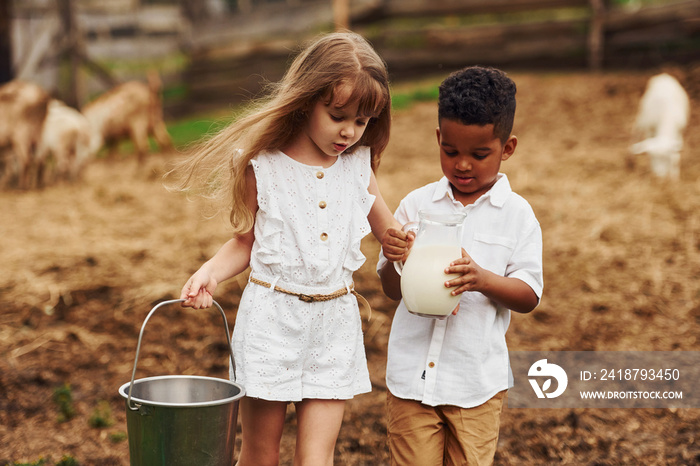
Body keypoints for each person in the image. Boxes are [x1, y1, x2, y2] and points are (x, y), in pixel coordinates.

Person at [166, 32, 403, 466]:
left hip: (333, 325)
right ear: (306, 100)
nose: (349, 131)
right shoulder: (266, 164)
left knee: (317, 459)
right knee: (260, 456)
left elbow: (391, 233)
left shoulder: (358, 166)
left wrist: (406, 244)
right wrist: (211, 273)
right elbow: (247, 242)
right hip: (271, 325)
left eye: (362, 121)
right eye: (337, 116)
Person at [377, 65, 544, 465]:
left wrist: (483, 279)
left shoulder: (517, 215)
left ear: (508, 148)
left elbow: (528, 295)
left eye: (479, 154)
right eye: (450, 152)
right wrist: (396, 258)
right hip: (411, 380)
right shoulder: (417, 205)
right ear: (438, 138)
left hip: (475, 387)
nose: (463, 165)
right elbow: (389, 287)